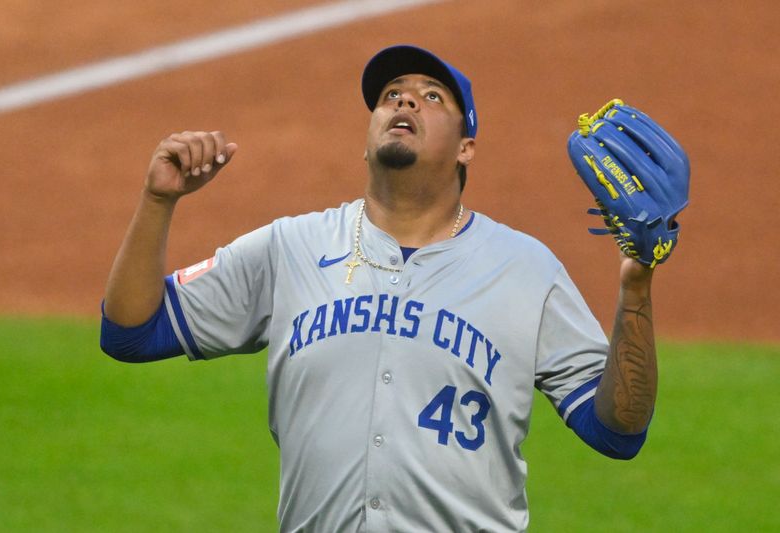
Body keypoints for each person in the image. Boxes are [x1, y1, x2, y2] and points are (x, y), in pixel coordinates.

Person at [101, 45, 657, 532]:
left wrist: (636, 287)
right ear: (365, 142)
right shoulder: (290, 247)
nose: (405, 102)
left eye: (431, 97)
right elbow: (132, 332)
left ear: (466, 147)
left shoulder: (526, 268)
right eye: (391, 94)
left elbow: (616, 432)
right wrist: (158, 202)